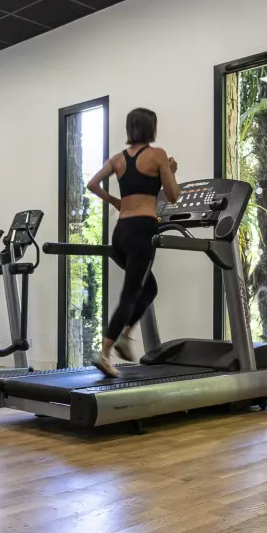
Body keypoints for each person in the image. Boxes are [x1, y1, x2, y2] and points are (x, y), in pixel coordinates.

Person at [85, 108, 180, 377]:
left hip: (121, 233)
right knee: (130, 294)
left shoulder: (117, 159)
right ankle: (105, 353)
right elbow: (172, 196)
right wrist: (171, 171)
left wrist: (116, 201)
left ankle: (126, 336)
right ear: (151, 128)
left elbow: (92, 184)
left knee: (149, 288)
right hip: (142, 230)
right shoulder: (157, 155)